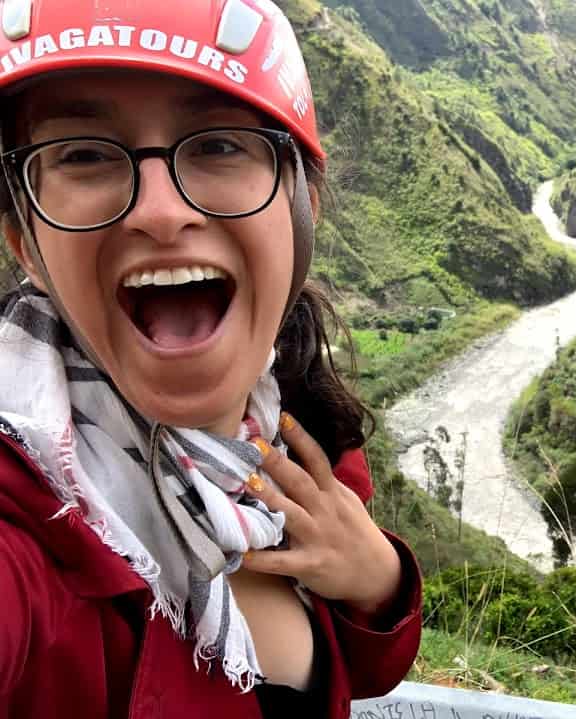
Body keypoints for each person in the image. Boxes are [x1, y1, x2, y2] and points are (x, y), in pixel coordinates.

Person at [0, 1, 422, 717]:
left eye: (219, 144)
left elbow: (363, 670)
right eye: (82, 154)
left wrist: (376, 581)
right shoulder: (28, 516)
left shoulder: (297, 442)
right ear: (26, 244)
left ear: (303, 204)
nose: (161, 213)